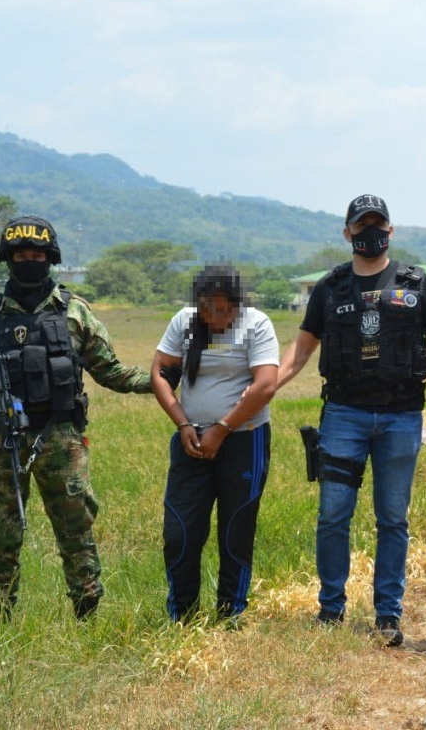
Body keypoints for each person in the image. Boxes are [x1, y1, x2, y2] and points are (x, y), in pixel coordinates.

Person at [0, 215, 152, 620]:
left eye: (37, 254)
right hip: (1, 437)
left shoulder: (74, 313)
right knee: (1, 533)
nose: (29, 261)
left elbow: (110, 371)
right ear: (8, 259)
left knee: (76, 528)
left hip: (61, 438)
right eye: (21, 255)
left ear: (50, 258)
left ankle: (87, 611)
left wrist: (160, 381)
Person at [277, 194, 426, 647]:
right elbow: (301, 351)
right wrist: (264, 386)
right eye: (361, 226)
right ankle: (331, 608)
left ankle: (387, 614)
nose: (369, 233)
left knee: (393, 518)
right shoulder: (330, 287)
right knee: (332, 515)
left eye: (377, 225)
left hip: (401, 416)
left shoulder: (415, 282)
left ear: (391, 231)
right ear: (347, 233)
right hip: (344, 414)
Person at [151, 264, 279, 623]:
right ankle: (183, 615)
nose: (214, 316)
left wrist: (222, 428)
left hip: (243, 440)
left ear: (238, 304)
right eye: (207, 308)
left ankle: (230, 614)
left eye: (223, 309)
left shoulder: (257, 324)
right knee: (180, 533)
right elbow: (159, 373)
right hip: (190, 441)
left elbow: (266, 385)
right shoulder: (184, 322)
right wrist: (182, 423)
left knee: (236, 529)